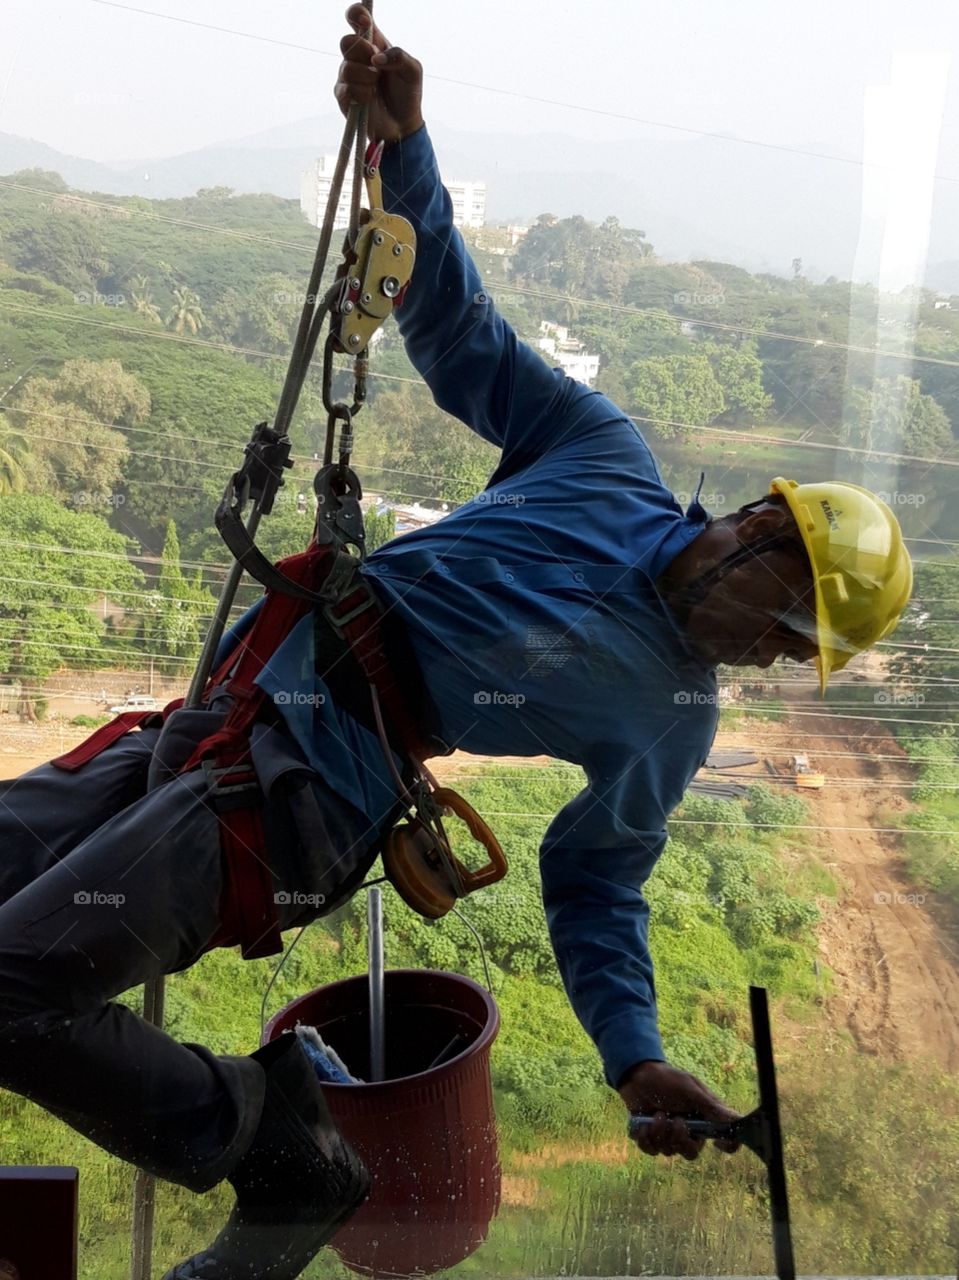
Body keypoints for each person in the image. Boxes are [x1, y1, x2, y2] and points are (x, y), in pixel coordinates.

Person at [0, 7, 912, 1279]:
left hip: (307, 795)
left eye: (782, 648)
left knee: (12, 983)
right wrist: (404, 146)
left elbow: (596, 879)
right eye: (777, 618)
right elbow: (463, 335)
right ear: (758, 525)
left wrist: (633, 1053)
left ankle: (272, 1139)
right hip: (234, 710)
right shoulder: (601, 456)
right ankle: (271, 1131)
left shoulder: (671, 719)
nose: (758, 651)